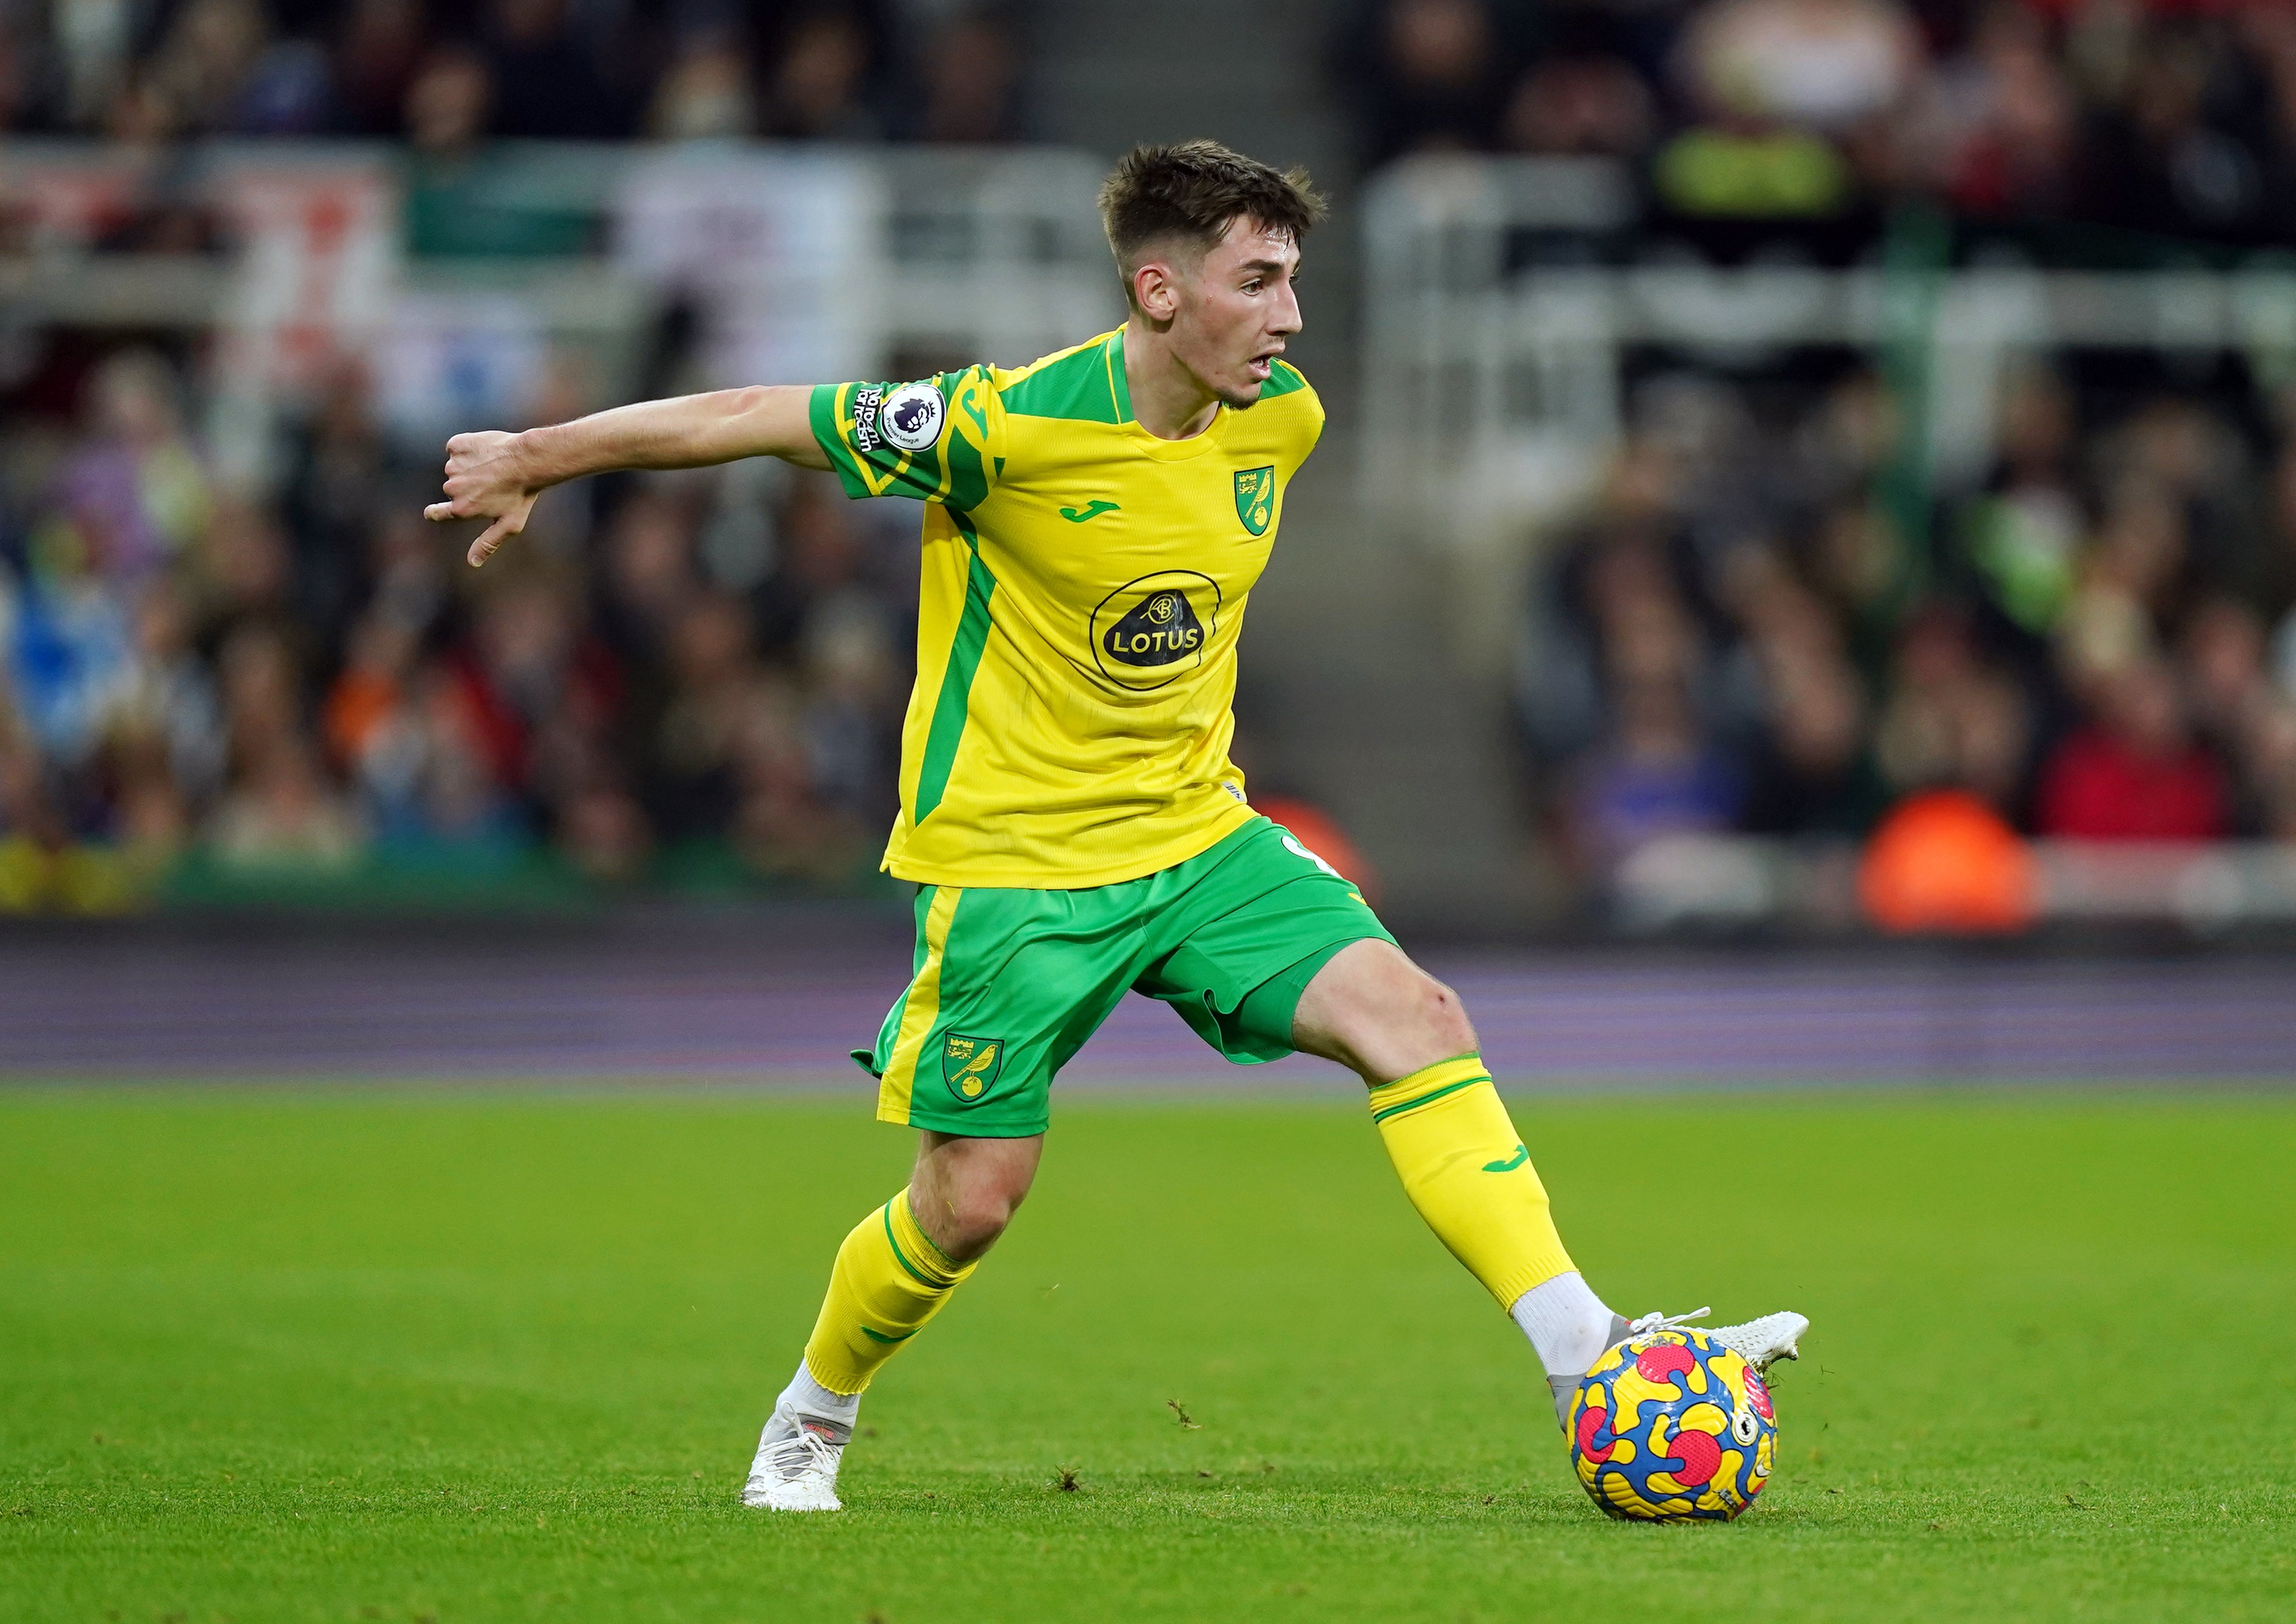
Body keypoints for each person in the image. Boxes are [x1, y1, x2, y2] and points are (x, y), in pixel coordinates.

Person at [425, 140, 1808, 1514]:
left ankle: (1587, 1357)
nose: (1290, 317)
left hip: (1198, 838)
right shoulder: (1000, 425)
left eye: (1293, 281)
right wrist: (539, 456)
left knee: (1418, 1017)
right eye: (1257, 282)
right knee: (968, 1204)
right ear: (1157, 290)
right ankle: (810, 1415)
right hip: (1012, 869)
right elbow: (752, 410)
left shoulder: (1283, 418)